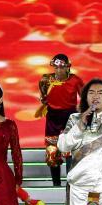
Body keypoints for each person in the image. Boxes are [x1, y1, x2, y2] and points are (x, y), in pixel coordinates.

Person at [38, 53, 85, 187]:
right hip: (52, 119)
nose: (59, 70)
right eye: (56, 67)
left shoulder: (75, 80)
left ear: (68, 67)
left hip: (70, 118)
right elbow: (43, 96)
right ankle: (56, 185)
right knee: (52, 152)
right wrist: (44, 100)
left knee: (70, 152)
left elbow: (84, 96)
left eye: (62, 67)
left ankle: (71, 185)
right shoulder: (46, 80)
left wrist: (82, 110)